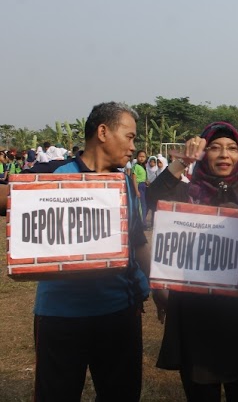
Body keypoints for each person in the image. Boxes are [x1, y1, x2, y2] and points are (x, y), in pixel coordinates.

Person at [32, 102, 152, 401]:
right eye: (129, 136)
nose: (132, 146)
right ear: (102, 132)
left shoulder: (124, 182)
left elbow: (137, 240)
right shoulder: (53, 176)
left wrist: (151, 285)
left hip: (118, 312)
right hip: (61, 315)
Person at [146, 122, 238, 402]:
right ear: (203, 154)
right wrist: (182, 161)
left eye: (232, 148)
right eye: (214, 147)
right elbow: (154, 197)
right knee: (201, 391)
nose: (224, 154)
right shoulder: (185, 194)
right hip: (195, 312)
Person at [132, 150, 148, 227]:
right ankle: (142, 224)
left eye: (143, 157)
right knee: (141, 206)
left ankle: (143, 222)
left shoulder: (144, 166)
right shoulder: (135, 166)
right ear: (137, 157)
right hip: (139, 186)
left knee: (144, 205)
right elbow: (134, 179)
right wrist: (136, 191)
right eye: (140, 156)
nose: (141, 158)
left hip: (144, 186)